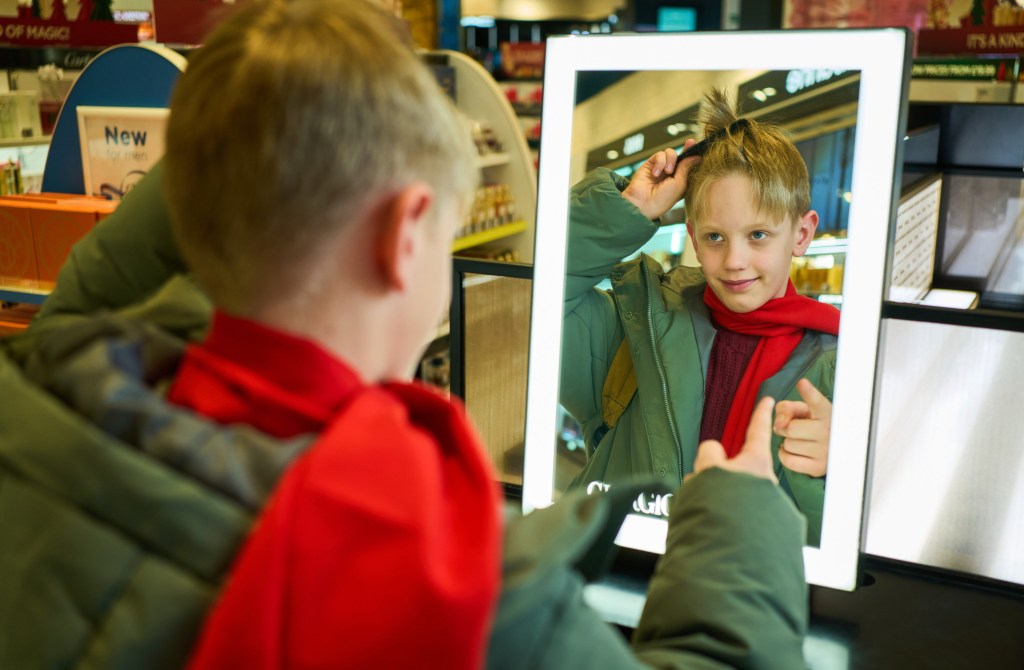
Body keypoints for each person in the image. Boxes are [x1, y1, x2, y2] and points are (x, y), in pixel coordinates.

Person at [0, 3, 808, 668]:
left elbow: (100, 280)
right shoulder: (465, 596)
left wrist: (263, 119)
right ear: (407, 233)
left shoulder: (41, 382)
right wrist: (744, 526)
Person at [561, 89, 840, 546]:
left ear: (802, 233)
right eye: (714, 236)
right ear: (690, 234)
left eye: (757, 235)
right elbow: (540, 295)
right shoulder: (636, 329)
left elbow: (858, 546)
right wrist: (629, 210)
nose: (734, 260)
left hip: (747, 604)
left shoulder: (841, 372)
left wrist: (838, 470)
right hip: (621, 588)